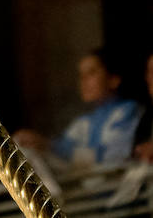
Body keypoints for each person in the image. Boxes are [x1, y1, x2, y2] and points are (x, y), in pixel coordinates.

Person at [14, 48, 144, 169]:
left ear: (113, 79)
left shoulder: (128, 112)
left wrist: (48, 145)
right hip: (83, 186)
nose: (83, 80)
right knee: (23, 147)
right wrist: (39, 144)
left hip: (113, 188)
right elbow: (63, 147)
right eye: (81, 75)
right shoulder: (84, 121)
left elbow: (111, 158)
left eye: (91, 73)